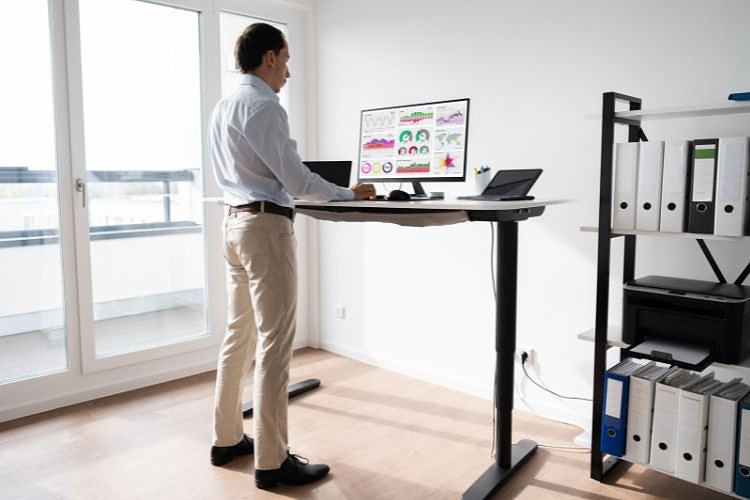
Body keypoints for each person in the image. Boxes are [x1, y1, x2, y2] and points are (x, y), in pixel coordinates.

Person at [207, 22, 375, 490]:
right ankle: (272, 461)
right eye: (286, 59)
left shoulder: (224, 106)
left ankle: (226, 440)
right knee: (275, 343)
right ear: (270, 57)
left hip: (233, 225)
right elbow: (298, 182)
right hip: (264, 229)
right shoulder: (264, 104)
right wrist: (347, 193)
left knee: (238, 337)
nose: (289, 71)